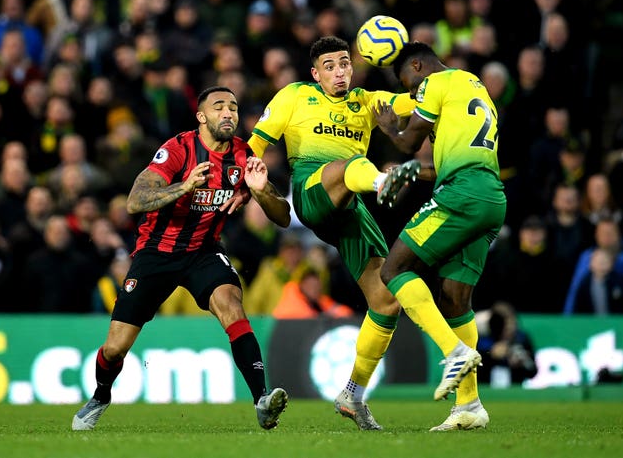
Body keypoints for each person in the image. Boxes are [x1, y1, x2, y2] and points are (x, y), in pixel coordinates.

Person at [71, 86, 290, 432]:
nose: (229, 113)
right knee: (115, 348)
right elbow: (135, 200)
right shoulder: (179, 148)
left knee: (232, 305)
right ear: (202, 117)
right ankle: (100, 396)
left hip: (204, 250)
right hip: (156, 252)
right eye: (219, 107)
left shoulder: (243, 154)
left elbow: (283, 218)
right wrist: (184, 187)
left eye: (233, 107)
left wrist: (261, 191)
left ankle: (262, 399)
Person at [240, 36, 420, 430]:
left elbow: (411, 102)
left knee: (386, 301)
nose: (340, 72)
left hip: (351, 204)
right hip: (312, 189)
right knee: (346, 166)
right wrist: (234, 188)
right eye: (330, 66)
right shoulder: (293, 96)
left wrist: (441, 81)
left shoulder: (366, 101)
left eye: (345, 64)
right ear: (315, 73)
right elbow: (252, 146)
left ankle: (353, 394)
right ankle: (382, 183)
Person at [372, 42, 507, 431]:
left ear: (417, 65)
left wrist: (387, 125)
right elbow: (439, 160)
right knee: (454, 298)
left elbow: (409, 140)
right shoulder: (474, 86)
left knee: (394, 268)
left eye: (408, 82)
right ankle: (470, 406)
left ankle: (454, 352)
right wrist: (413, 171)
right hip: (490, 197)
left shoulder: (435, 83)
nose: (411, 92)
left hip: (461, 194)